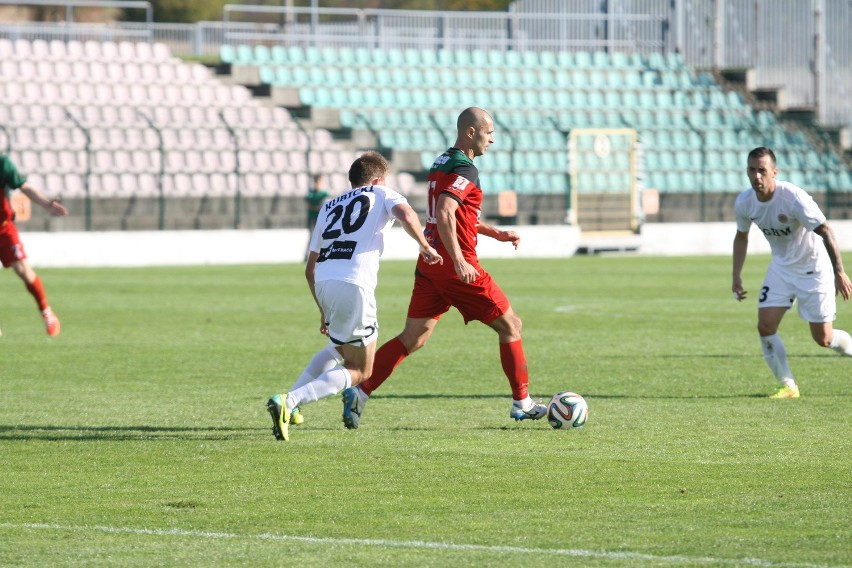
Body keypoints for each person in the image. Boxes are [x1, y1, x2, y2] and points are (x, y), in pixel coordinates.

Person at [340, 107, 547, 429]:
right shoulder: (466, 170)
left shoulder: (441, 163)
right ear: (470, 132)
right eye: (488, 132)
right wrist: (461, 261)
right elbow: (447, 212)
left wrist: (496, 233)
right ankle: (522, 402)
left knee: (414, 337)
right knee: (511, 326)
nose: (492, 138)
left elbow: (452, 214)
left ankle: (361, 391)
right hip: (454, 265)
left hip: (430, 263)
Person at [266, 151, 442, 442]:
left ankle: (293, 406)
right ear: (377, 179)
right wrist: (423, 245)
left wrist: (323, 309)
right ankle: (290, 401)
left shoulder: (328, 206)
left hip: (324, 281)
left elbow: (310, 268)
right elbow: (407, 214)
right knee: (360, 369)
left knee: (338, 347)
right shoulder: (383, 192)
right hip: (354, 283)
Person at [732, 146, 852, 398]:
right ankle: (788, 385)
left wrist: (839, 272)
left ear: (774, 172)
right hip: (781, 269)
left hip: (813, 270)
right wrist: (736, 276)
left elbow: (826, 231)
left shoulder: (794, 198)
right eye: (751, 170)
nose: (756, 177)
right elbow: (741, 237)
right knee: (765, 326)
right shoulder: (744, 202)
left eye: (762, 171)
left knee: (824, 339)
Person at [1, 152, 67, 337]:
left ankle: (46, 311)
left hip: (4, 228)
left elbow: (24, 186)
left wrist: (46, 203)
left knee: (23, 270)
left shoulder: (2, 163)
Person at [304, 173, 329, 261]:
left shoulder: (324, 194)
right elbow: (310, 205)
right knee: (312, 237)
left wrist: (316, 207)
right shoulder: (311, 193)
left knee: (322, 237)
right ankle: (307, 257)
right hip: (312, 218)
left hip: (321, 219)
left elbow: (323, 206)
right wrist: (317, 207)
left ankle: (320, 256)